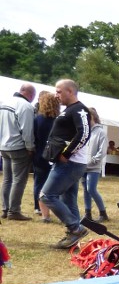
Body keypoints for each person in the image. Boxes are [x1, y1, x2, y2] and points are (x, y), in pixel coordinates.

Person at [40, 79, 91, 249]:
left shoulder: (80, 109)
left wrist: (67, 154)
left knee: (47, 196)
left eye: (59, 91)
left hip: (71, 163)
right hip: (69, 162)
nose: (56, 95)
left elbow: (84, 133)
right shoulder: (69, 110)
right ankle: (73, 240)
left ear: (70, 91)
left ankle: (76, 228)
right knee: (68, 199)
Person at [0, 82, 36, 220]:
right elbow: (27, 130)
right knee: (18, 180)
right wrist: (30, 147)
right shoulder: (26, 106)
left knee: (7, 179)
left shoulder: (3, 103)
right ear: (30, 94)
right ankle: (14, 211)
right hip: (18, 147)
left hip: (3, 146)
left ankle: (5, 209)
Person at [33, 90, 59, 222]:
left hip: (39, 154)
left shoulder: (37, 119)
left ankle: (38, 207)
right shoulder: (58, 120)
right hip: (54, 155)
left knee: (39, 182)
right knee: (54, 183)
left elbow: (34, 137)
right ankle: (54, 207)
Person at [82, 107, 109, 222]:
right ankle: (87, 213)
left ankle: (103, 213)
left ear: (92, 117)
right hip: (83, 165)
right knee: (85, 190)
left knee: (91, 189)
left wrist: (92, 160)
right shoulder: (84, 131)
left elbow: (102, 151)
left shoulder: (101, 132)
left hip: (93, 166)